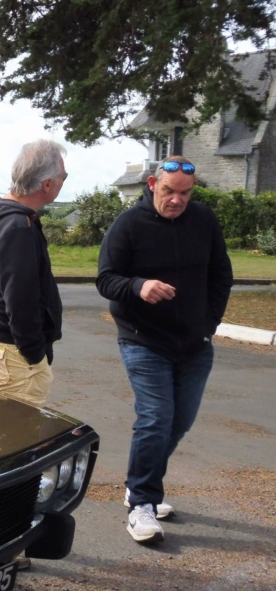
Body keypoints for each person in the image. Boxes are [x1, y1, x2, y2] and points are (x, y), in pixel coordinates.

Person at [97, 155, 233, 545]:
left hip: (195, 342)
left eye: (185, 193)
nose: (177, 200)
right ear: (153, 185)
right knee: (156, 418)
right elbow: (106, 279)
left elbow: (221, 274)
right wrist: (138, 286)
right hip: (144, 339)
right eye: (170, 191)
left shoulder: (204, 220)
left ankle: (141, 485)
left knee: (179, 422)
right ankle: (141, 503)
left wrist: (210, 324)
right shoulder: (129, 224)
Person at [0, 139, 67, 408]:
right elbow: (20, 302)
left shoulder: (1, 216)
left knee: (2, 428)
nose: (63, 182)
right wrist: (36, 355)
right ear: (47, 184)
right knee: (14, 436)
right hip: (14, 351)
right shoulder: (17, 227)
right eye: (64, 176)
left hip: (4, 346)